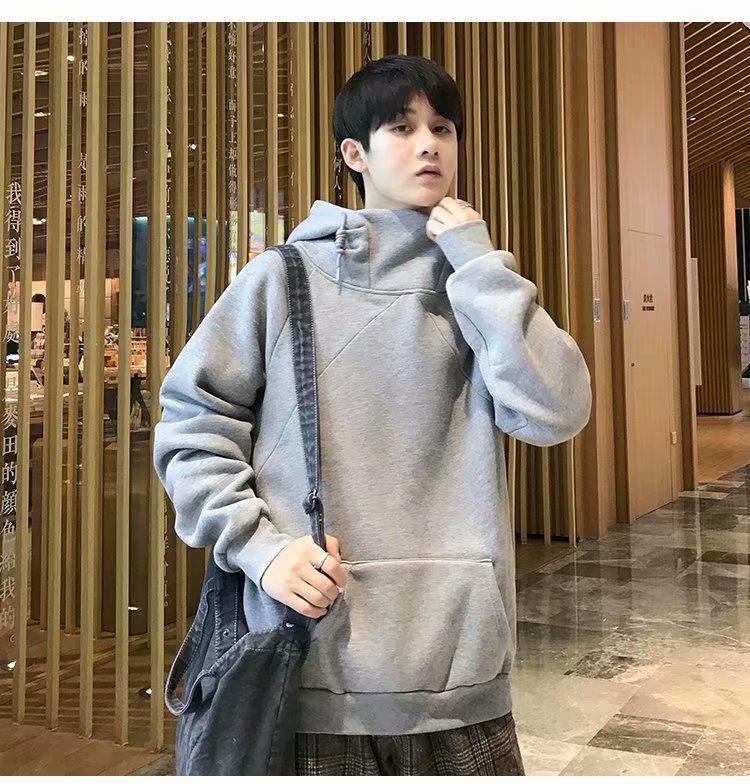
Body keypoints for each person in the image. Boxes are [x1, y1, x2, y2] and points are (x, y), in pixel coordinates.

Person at [153, 54, 592, 776]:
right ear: (354, 155)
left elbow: (556, 412)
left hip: (459, 672)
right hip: (311, 666)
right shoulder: (283, 278)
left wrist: (479, 265)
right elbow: (191, 425)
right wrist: (261, 549)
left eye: (442, 128)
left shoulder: (477, 285)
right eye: (402, 127)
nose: (429, 145)